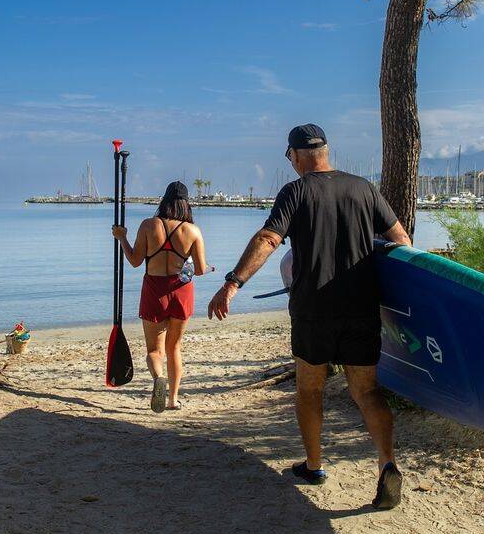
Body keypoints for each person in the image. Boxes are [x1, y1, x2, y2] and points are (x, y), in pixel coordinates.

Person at [207, 124, 412, 510]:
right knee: (366, 391)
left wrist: (232, 283)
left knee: (309, 389)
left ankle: (314, 466)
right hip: (361, 308)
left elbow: (269, 239)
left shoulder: (296, 191)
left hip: (313, 311)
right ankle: (387, 464)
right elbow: (402, 241)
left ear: (297, 156)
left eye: (289, 157)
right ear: (326, 151)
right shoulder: (364, 188)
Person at [112, 181, 210, 413]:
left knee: (154, 351)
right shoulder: (193, 231)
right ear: (186, 204)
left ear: (164, 201)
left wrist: (121, 238)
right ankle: (173, 400)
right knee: (174, 347)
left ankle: (158, 378)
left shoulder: (148, 225)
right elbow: (200, 269)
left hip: (154, 289)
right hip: (181, 291)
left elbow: (135, 261)